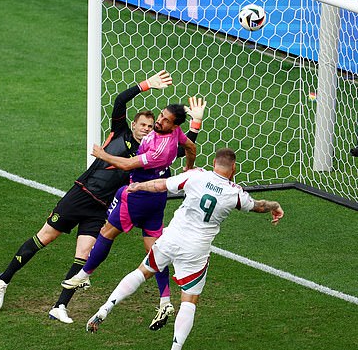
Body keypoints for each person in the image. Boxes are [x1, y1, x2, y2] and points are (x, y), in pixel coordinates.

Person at [0, 70, 204, 324]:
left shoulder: (150, 150)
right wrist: (147, 85)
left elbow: (181, 148)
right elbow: (119, 101)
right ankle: (3, 279)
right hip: (81, 194)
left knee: (84, 254)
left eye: (151, 126)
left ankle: (60, 305)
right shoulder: (119, 131)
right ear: (134, 124)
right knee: (45, 237)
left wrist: (195, 126)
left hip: (101, 208)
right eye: (143, 124)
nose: (147, 128)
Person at [84, 148, 284, 350]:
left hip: (172, 237)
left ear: (214, 162)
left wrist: (138, 186)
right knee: (189, 300)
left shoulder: (196, 176)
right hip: (196, 249)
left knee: (142, 271)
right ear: (234, 168)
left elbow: (161, 185)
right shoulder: (236, 193)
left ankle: (106, 308)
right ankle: (175, 348)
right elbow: (259, 206)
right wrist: (275, 205)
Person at [62, 96, 199, 329]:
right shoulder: (175, 135)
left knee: (106, 233)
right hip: (157, 200)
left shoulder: (160, 150)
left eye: (165, 121)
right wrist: (188, 167)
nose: (159, 121)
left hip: (137, 197)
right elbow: (191, 146)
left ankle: (85, 274)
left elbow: (127, 165)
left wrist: (102, 154)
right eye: (161, 116)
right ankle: (165, 300)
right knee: (155, 252)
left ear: (174, 126)